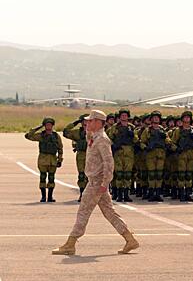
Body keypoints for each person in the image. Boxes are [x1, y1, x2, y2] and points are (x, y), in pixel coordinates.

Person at [52, 110, 139, 256]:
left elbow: (109, 163)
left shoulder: (102, 140)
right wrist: (88, 131)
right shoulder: (94, 137)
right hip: (96, 182)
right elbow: (89, 142)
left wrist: (105, 183)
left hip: (97, 183)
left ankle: (70, 243)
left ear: (99, 122)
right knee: (109, 213)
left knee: (83, 212)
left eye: (91, 121)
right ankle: (130, 239)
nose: (88, 123)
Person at [25, 117, 63, 203]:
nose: (48, 126)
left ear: (52, 125)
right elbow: (28, 135)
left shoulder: (56, 136)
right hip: (42, 160)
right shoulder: (41, 136)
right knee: (42, 178)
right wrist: (39, 127)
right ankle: (43, 197)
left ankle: (50, 196)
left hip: (53, 160)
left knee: (51, 178)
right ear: (44, 126)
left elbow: (60, 148)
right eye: (46, 125)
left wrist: (60, 160)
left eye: (50, 124)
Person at [107, 109, 138, 202]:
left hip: (129, 152)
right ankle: (119, 194)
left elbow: (136, 140)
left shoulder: (131, 127)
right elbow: (109, 139)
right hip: (118, 152)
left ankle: (126, 194)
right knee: (119, 174)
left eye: (125, 115)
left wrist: (132, 135)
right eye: (122, 116)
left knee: (128, 174)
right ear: (119, 117)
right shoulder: (114, 127)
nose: (124, 117)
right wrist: (114, 145)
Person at [63, 114, 89, 202]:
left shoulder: (95, 132)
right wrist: (75, 123)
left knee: (90, 176)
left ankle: (89, 195)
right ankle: (82, 193)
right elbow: (65, 132)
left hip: (92, 155)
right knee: (81, 175)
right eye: (84, 121)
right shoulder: (77, 132)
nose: (86, 123)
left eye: (88, 121)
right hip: (81, 155)